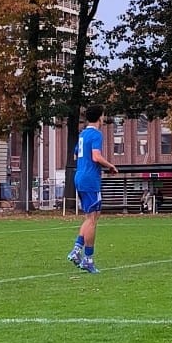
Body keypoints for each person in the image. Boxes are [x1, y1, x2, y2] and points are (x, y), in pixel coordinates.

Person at [67, 104, 119, 274]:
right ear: (100, 117)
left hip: (80, 176)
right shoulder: (96, 134)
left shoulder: (83, 134)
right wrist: (110, 165)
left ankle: (76, 250)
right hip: (90, 179)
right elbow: (96, 156)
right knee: (92, 219)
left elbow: (76, 154)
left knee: (91, 217)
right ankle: (87, 259)